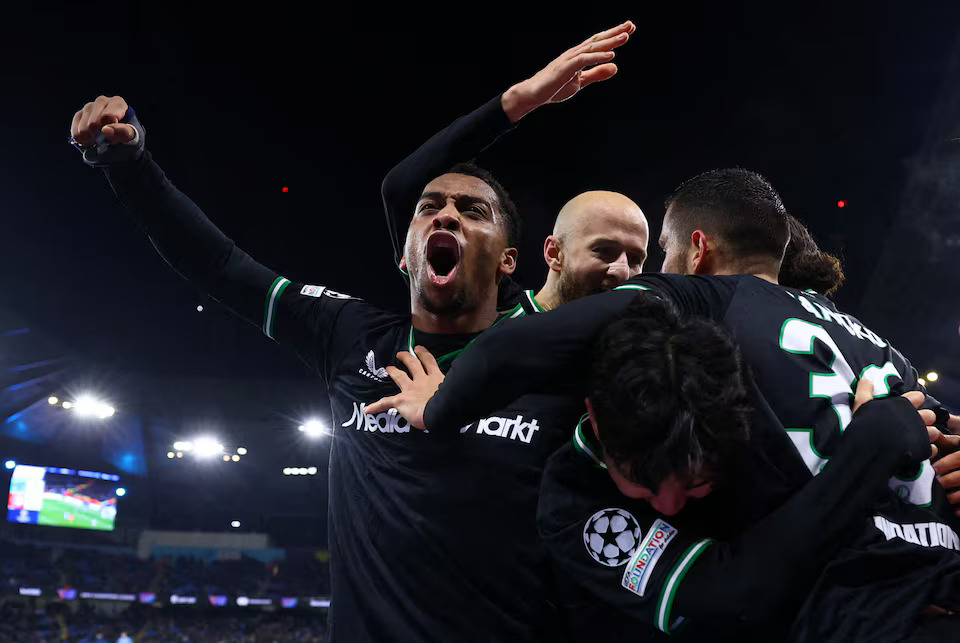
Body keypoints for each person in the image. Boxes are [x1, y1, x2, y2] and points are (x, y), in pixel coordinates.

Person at [68, 22, 637, 643]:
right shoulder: (349, 333)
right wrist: (127, 164)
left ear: (509, 259)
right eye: (430, 208)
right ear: (406, 253)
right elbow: (217, 264)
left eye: (473, 211)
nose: (445, 213)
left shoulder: (548, 347)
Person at [374, 168, 960, 639]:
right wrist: (882, 444)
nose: (671, 499)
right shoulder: (875, 349)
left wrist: (442, 405)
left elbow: (507, 351)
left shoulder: (702, 308)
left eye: (652, 254)